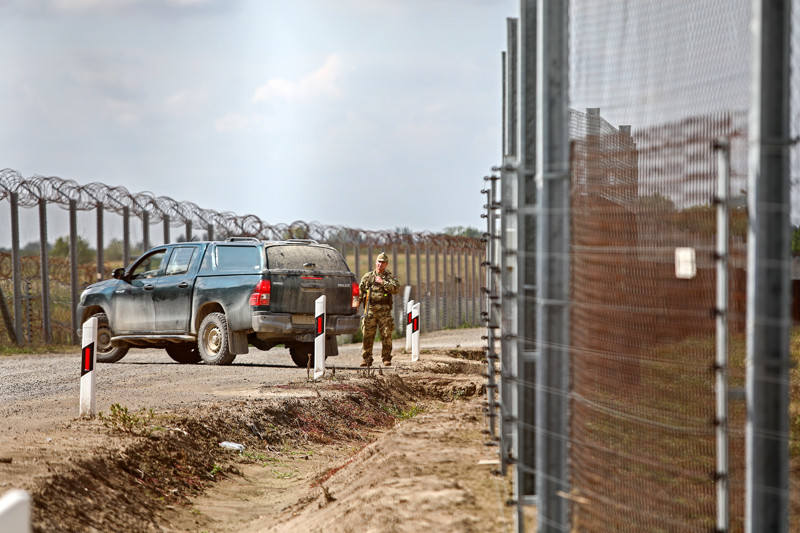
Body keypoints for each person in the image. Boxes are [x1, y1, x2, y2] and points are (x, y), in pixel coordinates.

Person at [359, 252, 400, 367]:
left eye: (383, 262)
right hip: (370, 310)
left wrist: (383, 283)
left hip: (384, 311)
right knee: (367, 334)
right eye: (379, 262)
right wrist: (356, 305)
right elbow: (360, 291)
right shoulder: (368, 277)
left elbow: (396, 288)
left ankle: (386, 358)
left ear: (386, 264)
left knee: (386, 334)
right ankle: (366, 358)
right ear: (375, 262)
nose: (380, 264)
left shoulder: (390, 277)